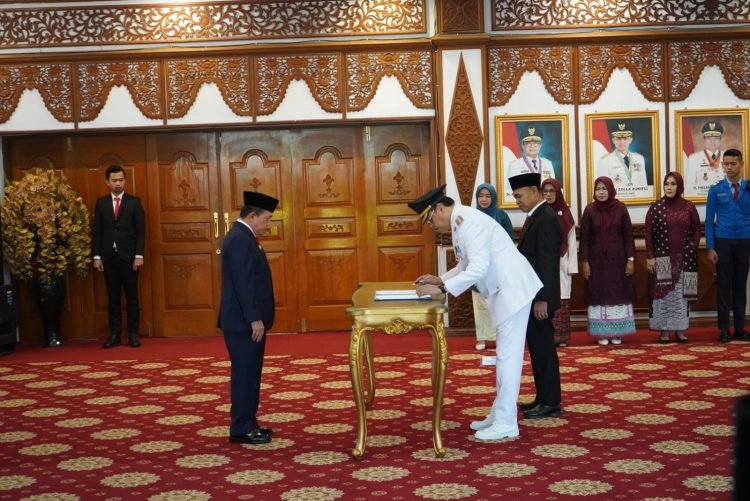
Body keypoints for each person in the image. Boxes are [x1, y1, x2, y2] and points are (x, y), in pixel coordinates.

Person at [410, 184, 542, 441]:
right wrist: (439, 280)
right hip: (504, 291)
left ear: (439, 208)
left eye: (430, 219)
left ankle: (506, 422)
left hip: (513, 290)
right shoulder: (462, 222)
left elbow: (478, 269)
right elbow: (465, 264)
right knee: (505, 357)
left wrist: (444, 288)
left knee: (508, 359)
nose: (431, 225)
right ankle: (499, 414)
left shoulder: (469, 223)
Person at [219, 191, 279, 445]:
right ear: (252, 216)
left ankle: (249, 421)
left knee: (251, 372)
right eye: (266, 219)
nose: (268, 225)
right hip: (244, 322)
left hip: (248, 321)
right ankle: (241, 427)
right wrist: (255, 318)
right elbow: (243, 284)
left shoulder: (246, 236)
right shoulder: (240, 239)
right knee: (245, 373)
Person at [511, 173, 563, 419]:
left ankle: (551, 402)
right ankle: (542, 397)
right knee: (537, 348)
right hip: (531, 295)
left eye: (519, 195)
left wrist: (542, 298)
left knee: (544, 350)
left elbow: (548, 263)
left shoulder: (547, 218)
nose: (517, 200)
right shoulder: (537, 216)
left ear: (534, 190)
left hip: (540, 297)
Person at [93, 165, 146, 349]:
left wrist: (139, 255)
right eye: (114, 180)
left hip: (130, 258)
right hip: (109, 258)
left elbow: (141, 231)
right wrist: (97, 256)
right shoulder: (101, 204)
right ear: (107, 182)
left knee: (132, 298)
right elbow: (97, 232)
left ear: (125, 180)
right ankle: (115, 334)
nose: (118, 183)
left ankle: (133, 334)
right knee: (113, 298)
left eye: (121, 180)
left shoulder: (134, 202)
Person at [645, 172, 701, 343]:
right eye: (666, 184)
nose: (669, 187)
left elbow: (697, 229)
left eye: (673, 184)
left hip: (685, 259)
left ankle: (680, 329)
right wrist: (650, 256)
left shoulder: (689, 207)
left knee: (681, 296)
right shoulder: (656, 207)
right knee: (663, 296)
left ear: (680, 186)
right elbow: (648, 233)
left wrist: (693, 247)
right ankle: (663, 331)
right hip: (662, 259)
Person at [580, 177, 637, 345]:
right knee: (598, 294)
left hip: (618, 261)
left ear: (610, 190)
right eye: (598, 189)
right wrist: (584, 261)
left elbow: (628, 236)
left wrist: (631, 259)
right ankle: (602, 334)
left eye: (604, 188)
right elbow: (584, 239)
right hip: (596, 262)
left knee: (618, 293)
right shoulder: (589, 210)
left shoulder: (621, 209)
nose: (601, 192)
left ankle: (618, 333)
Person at [705, 148, 750, 343]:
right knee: (723, 288)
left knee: (740, 288)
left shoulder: (748, 188)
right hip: (723, 242)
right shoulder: (716, 189)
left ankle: (740, 328)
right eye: (726, 164)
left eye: (733, 163)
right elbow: (708, 221)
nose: (729, 167)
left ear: (741, 164)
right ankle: (724, 329)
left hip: (744, 241)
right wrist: (710, 247)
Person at [473, 183, 513, 350]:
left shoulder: (502, 216)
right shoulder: (472, 216)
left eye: (487, 196)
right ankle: (482, 338)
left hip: (497, 266)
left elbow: (509, 241)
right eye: (481, 196)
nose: (484, 199)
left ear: (493, 198)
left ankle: (500, 337)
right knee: (480, 302)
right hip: (479, 265)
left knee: (498, 302)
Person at [541, 178, 578, 347]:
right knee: (544, 299)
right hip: (542, 265)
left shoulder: (566, 213)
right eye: (545, 192)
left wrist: (572, 267)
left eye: (551, 191)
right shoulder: (538, 212)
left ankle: (561, 337)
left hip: (562, 263)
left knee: (561, 298)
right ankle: (547, 337)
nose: (548, 195)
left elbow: (571, 241)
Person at [505, 127, 556, 197]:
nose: (532, 146)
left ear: (540, 146)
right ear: (523, 146)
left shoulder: (548, 164)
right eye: (528, 143)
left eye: (535, 143)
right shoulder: (514, 165)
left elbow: (553, 187)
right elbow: (510, 190)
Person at [596, 122, 648, 190]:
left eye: (625, 138)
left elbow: (643, 184)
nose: (622, 142)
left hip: (638, 198)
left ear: (630, 140)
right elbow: (603, 187)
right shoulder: (604, 161)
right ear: (613, 140)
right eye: (618, 139)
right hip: (615, 199)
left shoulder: (639, 159)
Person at [685, 121, 725, 198]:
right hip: (703, 200)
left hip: (725, 200)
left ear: (720, 139)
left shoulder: (727, 156)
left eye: (716, 138)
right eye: (709, 138)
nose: (712, 141)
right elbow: (689, 186)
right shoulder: (693, 158)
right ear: (704, 139)